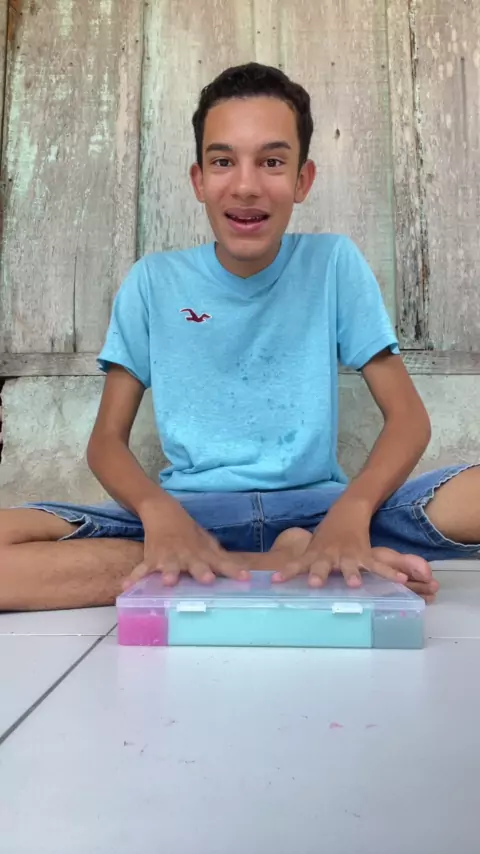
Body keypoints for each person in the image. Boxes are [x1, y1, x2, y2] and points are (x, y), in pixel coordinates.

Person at [1, 62, 479, 612]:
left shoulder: (333, 263)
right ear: (199, 180)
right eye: (223, 161)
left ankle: (290, 558)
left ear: (302, 180)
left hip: (325, 512)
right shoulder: (153, 281)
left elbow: (409, 418)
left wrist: (351, 514)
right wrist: (160, 517)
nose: (246, 185)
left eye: (272, 162)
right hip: (189, 516)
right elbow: (106, 441)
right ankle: (274, 564)